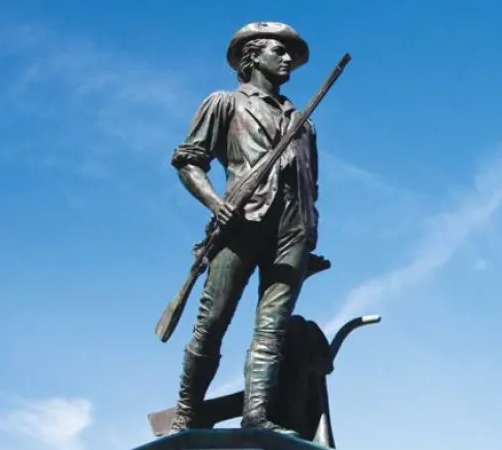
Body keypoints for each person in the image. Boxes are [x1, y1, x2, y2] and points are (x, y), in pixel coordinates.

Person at [163, 21, 321, 437]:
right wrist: (216, 204)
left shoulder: (304, 123)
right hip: (241, 221)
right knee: (212, 323)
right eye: (277, 50)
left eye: (290, 53)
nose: (287, 58)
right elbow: (189, 160)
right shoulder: (225, 103)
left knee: (272, 329)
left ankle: (257, 418)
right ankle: (186, 412)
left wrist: (309, 237)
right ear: (252, 57)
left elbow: (312, 185)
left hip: (293, 230)